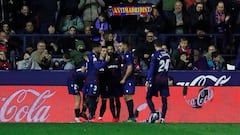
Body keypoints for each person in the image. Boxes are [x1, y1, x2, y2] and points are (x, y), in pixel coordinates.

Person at [145, 40, 171, 124]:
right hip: (164, 79)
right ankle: (163, 118)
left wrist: (148, 80)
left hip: (156, 79)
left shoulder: (155, 55)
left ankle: (154, 113)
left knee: (148, 97)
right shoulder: (167, 55)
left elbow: (152, 69)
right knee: (164, 99)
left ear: (155, 45)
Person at [84, 42, 109, 121]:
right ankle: (91, 116)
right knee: (92, 98)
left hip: (91, 79)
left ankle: (89, 114)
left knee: (91, 97)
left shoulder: (92, 56)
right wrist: (106, 61)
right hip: (93, 79)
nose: (100, 49)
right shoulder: (93, 56)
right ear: (96, 48)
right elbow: (97, 66)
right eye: (100, 48)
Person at [119, 41, 136, 122]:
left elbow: (130, 67)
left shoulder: (128, 54)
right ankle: (131, 116)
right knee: (126, 97)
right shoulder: (124, 55)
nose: (119, 47)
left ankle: (131, 117)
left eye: (120, 46)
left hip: (129, 79)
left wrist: (124, 78)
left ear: (125, 46)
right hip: (126, 79)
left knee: (128, 96)